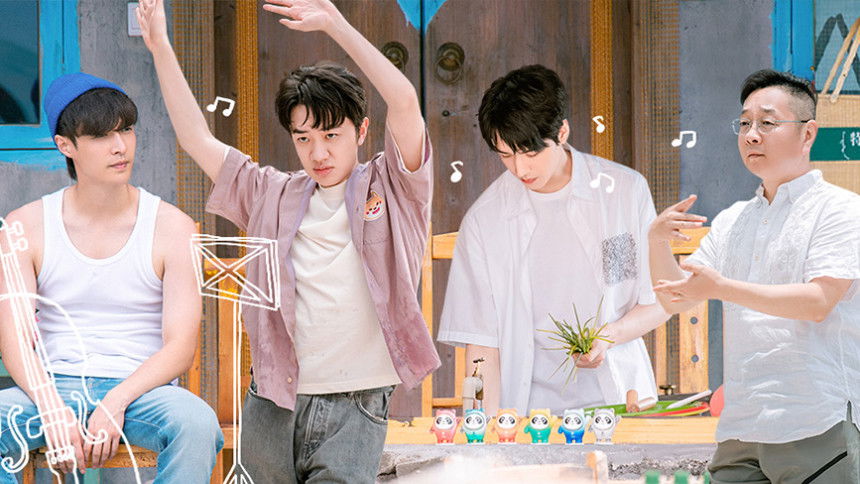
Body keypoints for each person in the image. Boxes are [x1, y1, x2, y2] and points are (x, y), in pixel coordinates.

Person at [137, 0, 439, 481]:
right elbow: (196, 139)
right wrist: (159, 46)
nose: (318, 153)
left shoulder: (394, 185)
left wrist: (336, 25)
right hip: (274, 398)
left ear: (361, 130)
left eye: (331, 135)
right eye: (303, 139)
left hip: (357, 402)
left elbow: (403, 101)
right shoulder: (271, 193)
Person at [0, 72, 223, 483]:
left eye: (127, 130)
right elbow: (14, 339)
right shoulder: (25, 226)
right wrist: (50, 406)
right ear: (65, 145)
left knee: (197, 423)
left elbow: (180, 347)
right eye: (102, 135)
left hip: (143, 391)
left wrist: (116, 400)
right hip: (53, 386)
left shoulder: (172, 227)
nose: (120, 146)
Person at [649, 69, 860, 482]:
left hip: (816, 422)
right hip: (742, 427)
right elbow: (674, 299)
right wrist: (656, 241)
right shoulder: (732, 220)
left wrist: (723, 288)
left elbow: (818, 302)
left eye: (767, 122)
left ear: (808, 133)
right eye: (744, 123)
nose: (751, 135)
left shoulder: (840, 209)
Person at [437, 64, 669, 417]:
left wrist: (607, 338)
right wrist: (480, 426)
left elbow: (657, 301)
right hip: (528, 413)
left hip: (620, 400)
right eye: (505, 155)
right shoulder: (484, 220)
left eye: (530, 153)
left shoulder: (623, 191)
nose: (520, 169)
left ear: (562, 132)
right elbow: (481, 344)